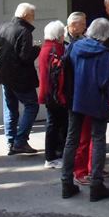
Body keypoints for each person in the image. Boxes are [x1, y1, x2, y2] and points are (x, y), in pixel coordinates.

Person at [60, 17, 109, 202]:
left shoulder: (75, 46)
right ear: (106, 34)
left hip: (76, 98)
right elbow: (104, 81)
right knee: (98, 139)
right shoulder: (104, 53)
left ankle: (66, 183)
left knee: (72, 140)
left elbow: (66, 69)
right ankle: (96, 185)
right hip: (96, 100)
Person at [0, 2, 40, 155]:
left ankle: (10, 141)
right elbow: (25, 57)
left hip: (4, 74)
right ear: (26, 16)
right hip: (20, 77)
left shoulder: (2, 27)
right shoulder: (24, 31)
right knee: (32, 105)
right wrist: (36, 49)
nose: (34, 18)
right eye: (32, 15)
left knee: (10, 108)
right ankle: (20, 141)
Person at [64, 12, 96, 185]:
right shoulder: (68, 44)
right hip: (76, 97)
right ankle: (79, 172)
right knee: (78, 137)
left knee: (87, 135)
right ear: (74, 25)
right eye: (83, 23)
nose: (85, 26)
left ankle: (92, 166)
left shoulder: (81, 41)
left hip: (80, 96)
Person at [37, 20, 70, 169]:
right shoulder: (54, 50)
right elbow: (58, 75)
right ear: (58, 36)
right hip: (55, 94)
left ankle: (54, 155)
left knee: (55, 124)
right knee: (55, 125)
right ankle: (51, 157)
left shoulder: (48, 48)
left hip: (50, 93)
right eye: (62, 34)